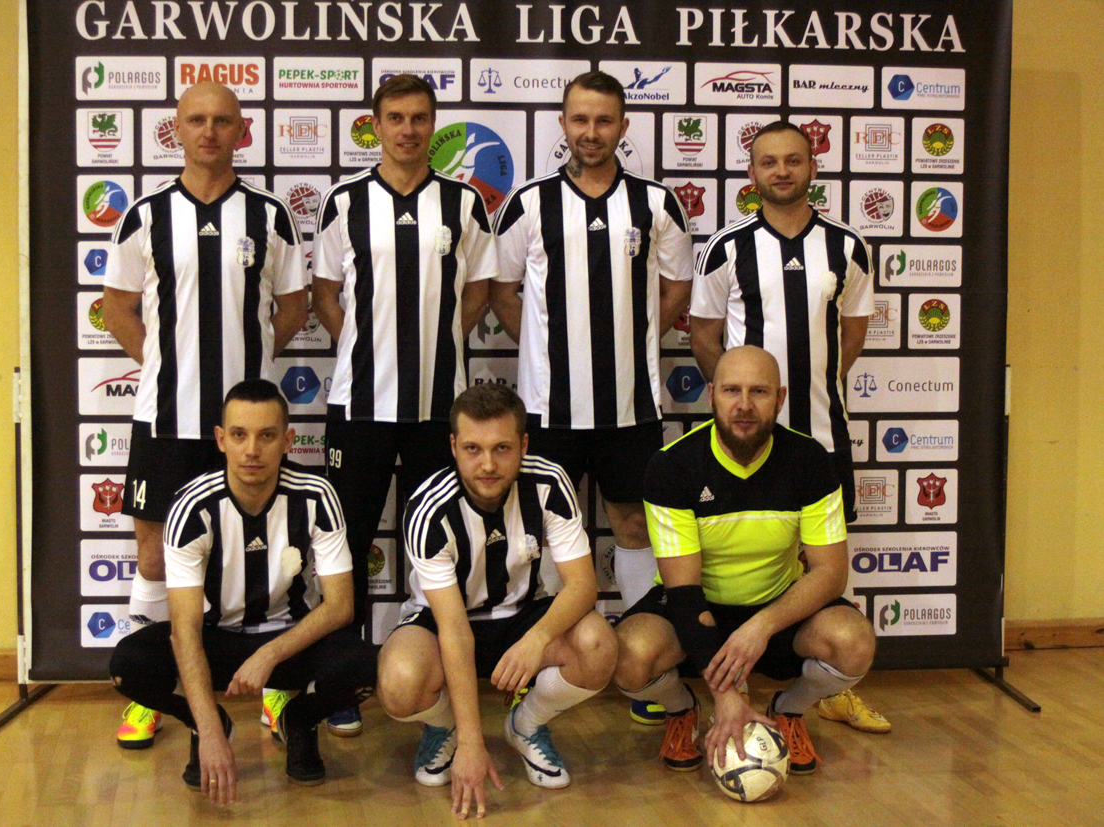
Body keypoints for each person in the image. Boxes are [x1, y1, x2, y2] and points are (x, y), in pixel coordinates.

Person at [101, 81, 309, 748]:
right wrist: (167, 364)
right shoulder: (145, 214)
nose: (209, 131)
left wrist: (249, 368)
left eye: (222, 120)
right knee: (154, 556)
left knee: (268, 555)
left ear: (241, 131)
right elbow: (116, 308)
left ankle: (276, 686)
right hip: (164, 420)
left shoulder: (270, 215)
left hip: (248, 430)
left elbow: (295, 307)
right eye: (197, 119)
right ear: (178, 129)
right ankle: (153, 696)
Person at [489, 71, 693, 725]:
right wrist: (544, 350)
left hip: (631, 408)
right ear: (563, 123)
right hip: (547, 410)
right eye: (580, 119)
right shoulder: (529, 203)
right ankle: (551, 664)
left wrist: (631, 342)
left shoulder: (655, 204)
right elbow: (502, 291)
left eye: (604, 120)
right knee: (544, 535)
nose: (591, 132)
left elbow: (675, 292)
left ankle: (639, 666)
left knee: (633, 526)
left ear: (623, 126)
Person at [687, 120, 890, 734]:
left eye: (793, 160)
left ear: (812, 168)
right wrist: (746, 404)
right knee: (741, 563)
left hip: (823, 436)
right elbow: (703, 334)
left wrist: (809, 389)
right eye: (769, 161)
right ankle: (732, 691)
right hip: (747, 443)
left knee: (822, 569)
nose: (781, 171)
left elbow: (852, 334)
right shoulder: (725, 248)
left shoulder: (848, 246)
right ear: (752, 173)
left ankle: (819, 696)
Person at [311, 73, 496, 735]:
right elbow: (325, 293)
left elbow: (477, 293)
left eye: (419, 118)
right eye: (396, 118)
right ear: (376, 125)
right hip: (357, 408)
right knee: (347, 544)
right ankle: (341, 679)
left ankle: (434, 675)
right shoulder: (344, 201)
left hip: (437, 412)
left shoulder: (463, 202)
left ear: (432, 125)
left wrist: (437, 344)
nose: (408, 130)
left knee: (436, 544)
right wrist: (367, 349)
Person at [108, 380, 376, 805]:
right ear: (221, 440)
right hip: (217, 640)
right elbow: (184, 630)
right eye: (239, 435)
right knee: (129, 666)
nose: (252, 450)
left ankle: (299, 720)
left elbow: (341, 606)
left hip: (287, 642)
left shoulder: (316, 495)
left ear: (288, 441)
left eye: (267, 435)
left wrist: (269, 654)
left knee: (363, 666)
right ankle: (206, 722)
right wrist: (211, 732)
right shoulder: (191, 508)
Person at [614, 346, 877, 777]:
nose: (744, 405)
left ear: (781, 398)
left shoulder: (809, 460)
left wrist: (761, 625)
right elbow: (683, 590)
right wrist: (726, 696)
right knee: (628, 656)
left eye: (759, 391)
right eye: (731, 390)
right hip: (697, 610)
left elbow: (831, 573)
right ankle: (681, 710)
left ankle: (788, 711)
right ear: (711, 395)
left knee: (854, 643)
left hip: (776, 613)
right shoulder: (672, 465)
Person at [376, 384, 616, 818]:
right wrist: (472, 743)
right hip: (442, 623)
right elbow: (453, 629)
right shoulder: (428, 507)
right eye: (473, 449)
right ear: (454, 447)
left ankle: (526, 725)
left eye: (502, 448)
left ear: (523, 445)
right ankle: (445, 727)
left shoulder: (549, 482)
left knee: (598, 645)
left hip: (522, 616)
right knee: (398, 682)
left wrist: (536, 639)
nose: (487, 464)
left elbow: (583, 586)